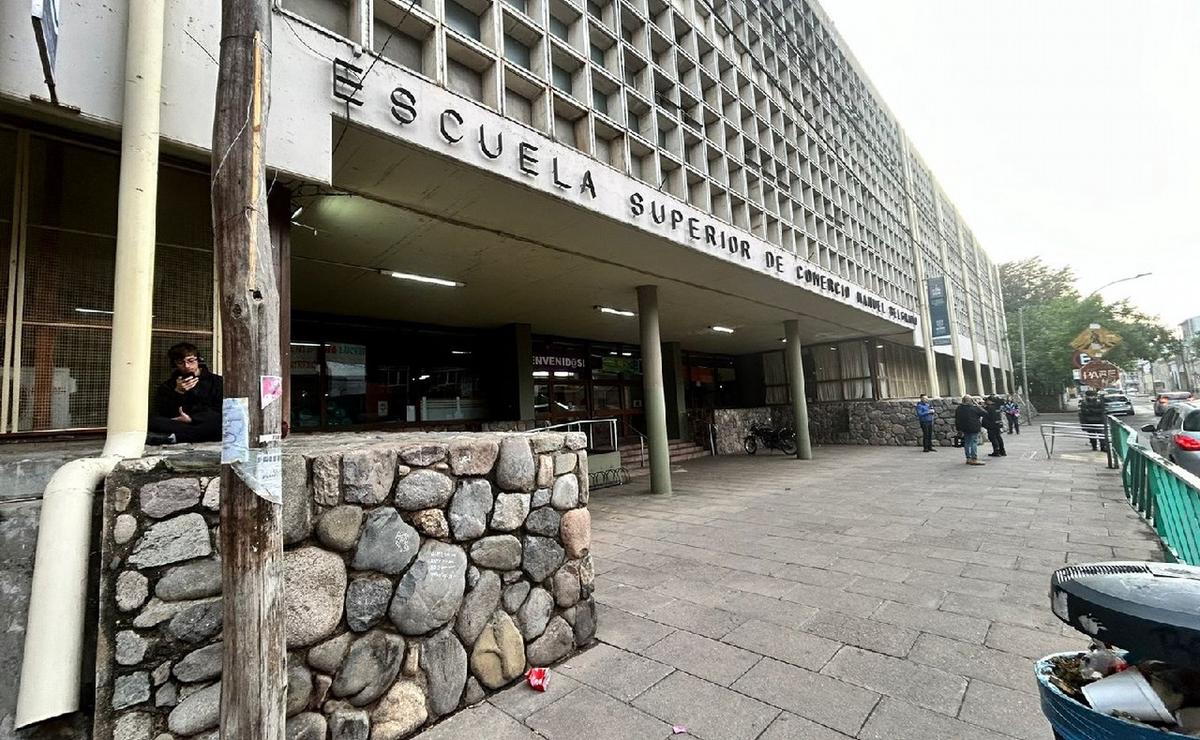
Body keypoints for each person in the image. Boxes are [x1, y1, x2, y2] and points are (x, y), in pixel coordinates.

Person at [148, 342, 223, 444]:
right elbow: (163, 411)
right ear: (175, 364)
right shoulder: (169, 385)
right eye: (181, 362)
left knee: (221, 425)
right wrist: (178, 392)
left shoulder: (217, 382)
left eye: (191, 361)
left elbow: (220, 409)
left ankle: (175, 438)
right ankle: (184, 436)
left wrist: (192, 418)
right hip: (179, 423)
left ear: (199, 360)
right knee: (152, 421)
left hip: (203, 422)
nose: (187, 366)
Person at [955, 395, 987, 466]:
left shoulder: (959, 408)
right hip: (973, 427)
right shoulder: (974, 408)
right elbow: (985, 413)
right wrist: (978, 405)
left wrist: (959, 429)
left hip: (964, 428)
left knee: (967, 442)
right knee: (973, 442)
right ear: (970, 401)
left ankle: (968, 458)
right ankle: (974, 458)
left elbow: (957, 419)